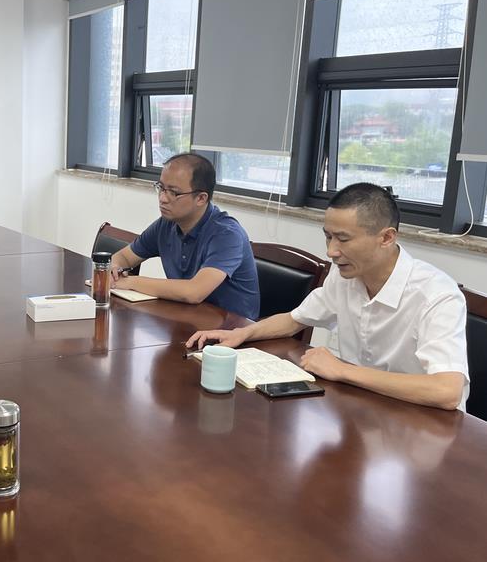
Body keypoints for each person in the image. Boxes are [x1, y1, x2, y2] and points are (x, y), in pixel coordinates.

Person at [187, 182, 469, 411]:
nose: (331, 251)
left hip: (420, 426)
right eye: (328, 237)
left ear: (386, 238)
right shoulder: (345, 274)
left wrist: (342, 370)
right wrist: (242, 333)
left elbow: (447, 391)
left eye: (343, 239)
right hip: (360, 409)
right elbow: (295, 320)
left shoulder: (436, 295)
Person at [107, 153, 260, 319]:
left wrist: (130, 282)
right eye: (161, 188)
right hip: (186, 318)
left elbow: (194, 292)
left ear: (201, 198)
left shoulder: (227, 234)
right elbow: (124, 257)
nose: (162, 198)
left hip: (232, 328)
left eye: (174, 192)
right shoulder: (166, 224)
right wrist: (114, 269)